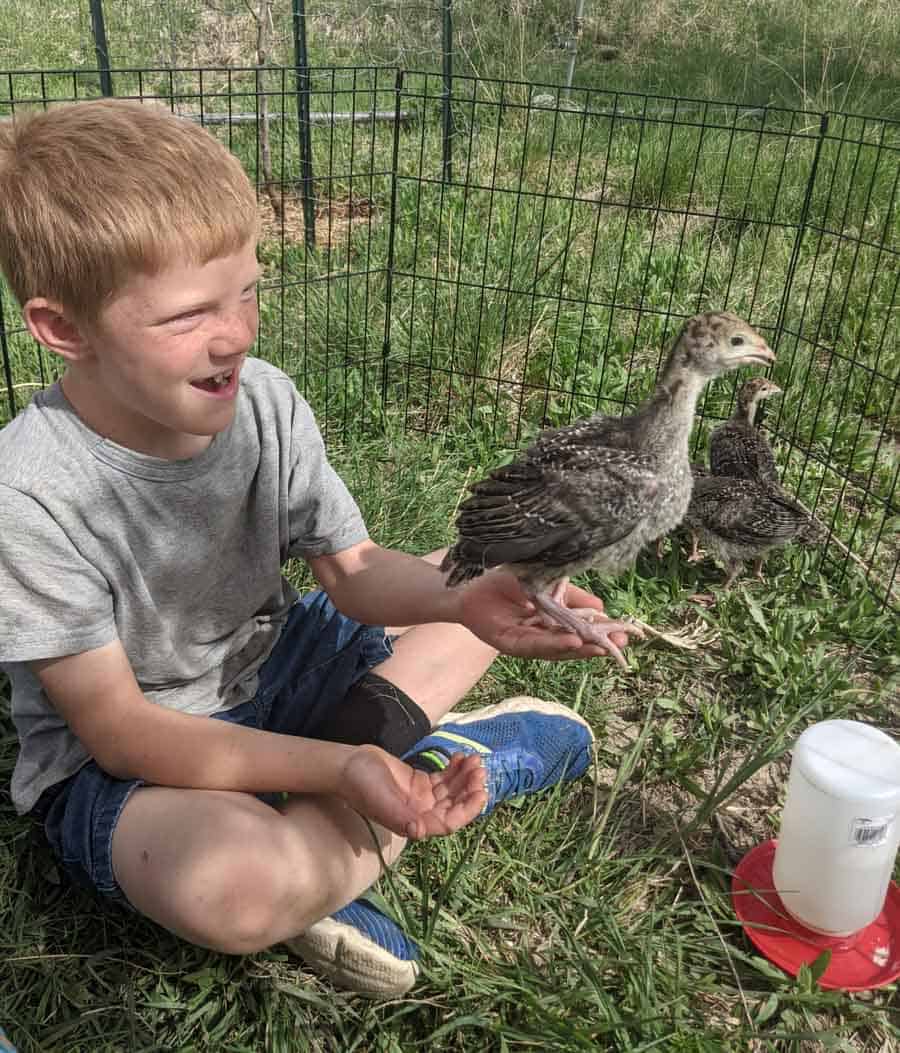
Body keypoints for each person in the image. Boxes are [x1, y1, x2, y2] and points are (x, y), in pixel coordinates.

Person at [0, 99, 633, 998]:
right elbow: (122, 729)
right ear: (65, 329)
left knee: (489, 604)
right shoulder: (27, 491)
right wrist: (342, 764)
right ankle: (408, 781)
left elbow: (357, 573)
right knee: (232, 890)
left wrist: (468, 596)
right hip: (131, 763)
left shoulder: (262, 400)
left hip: (279, 669)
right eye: (188, 315)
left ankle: (330, 842)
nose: (237, 334)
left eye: (249, 289)